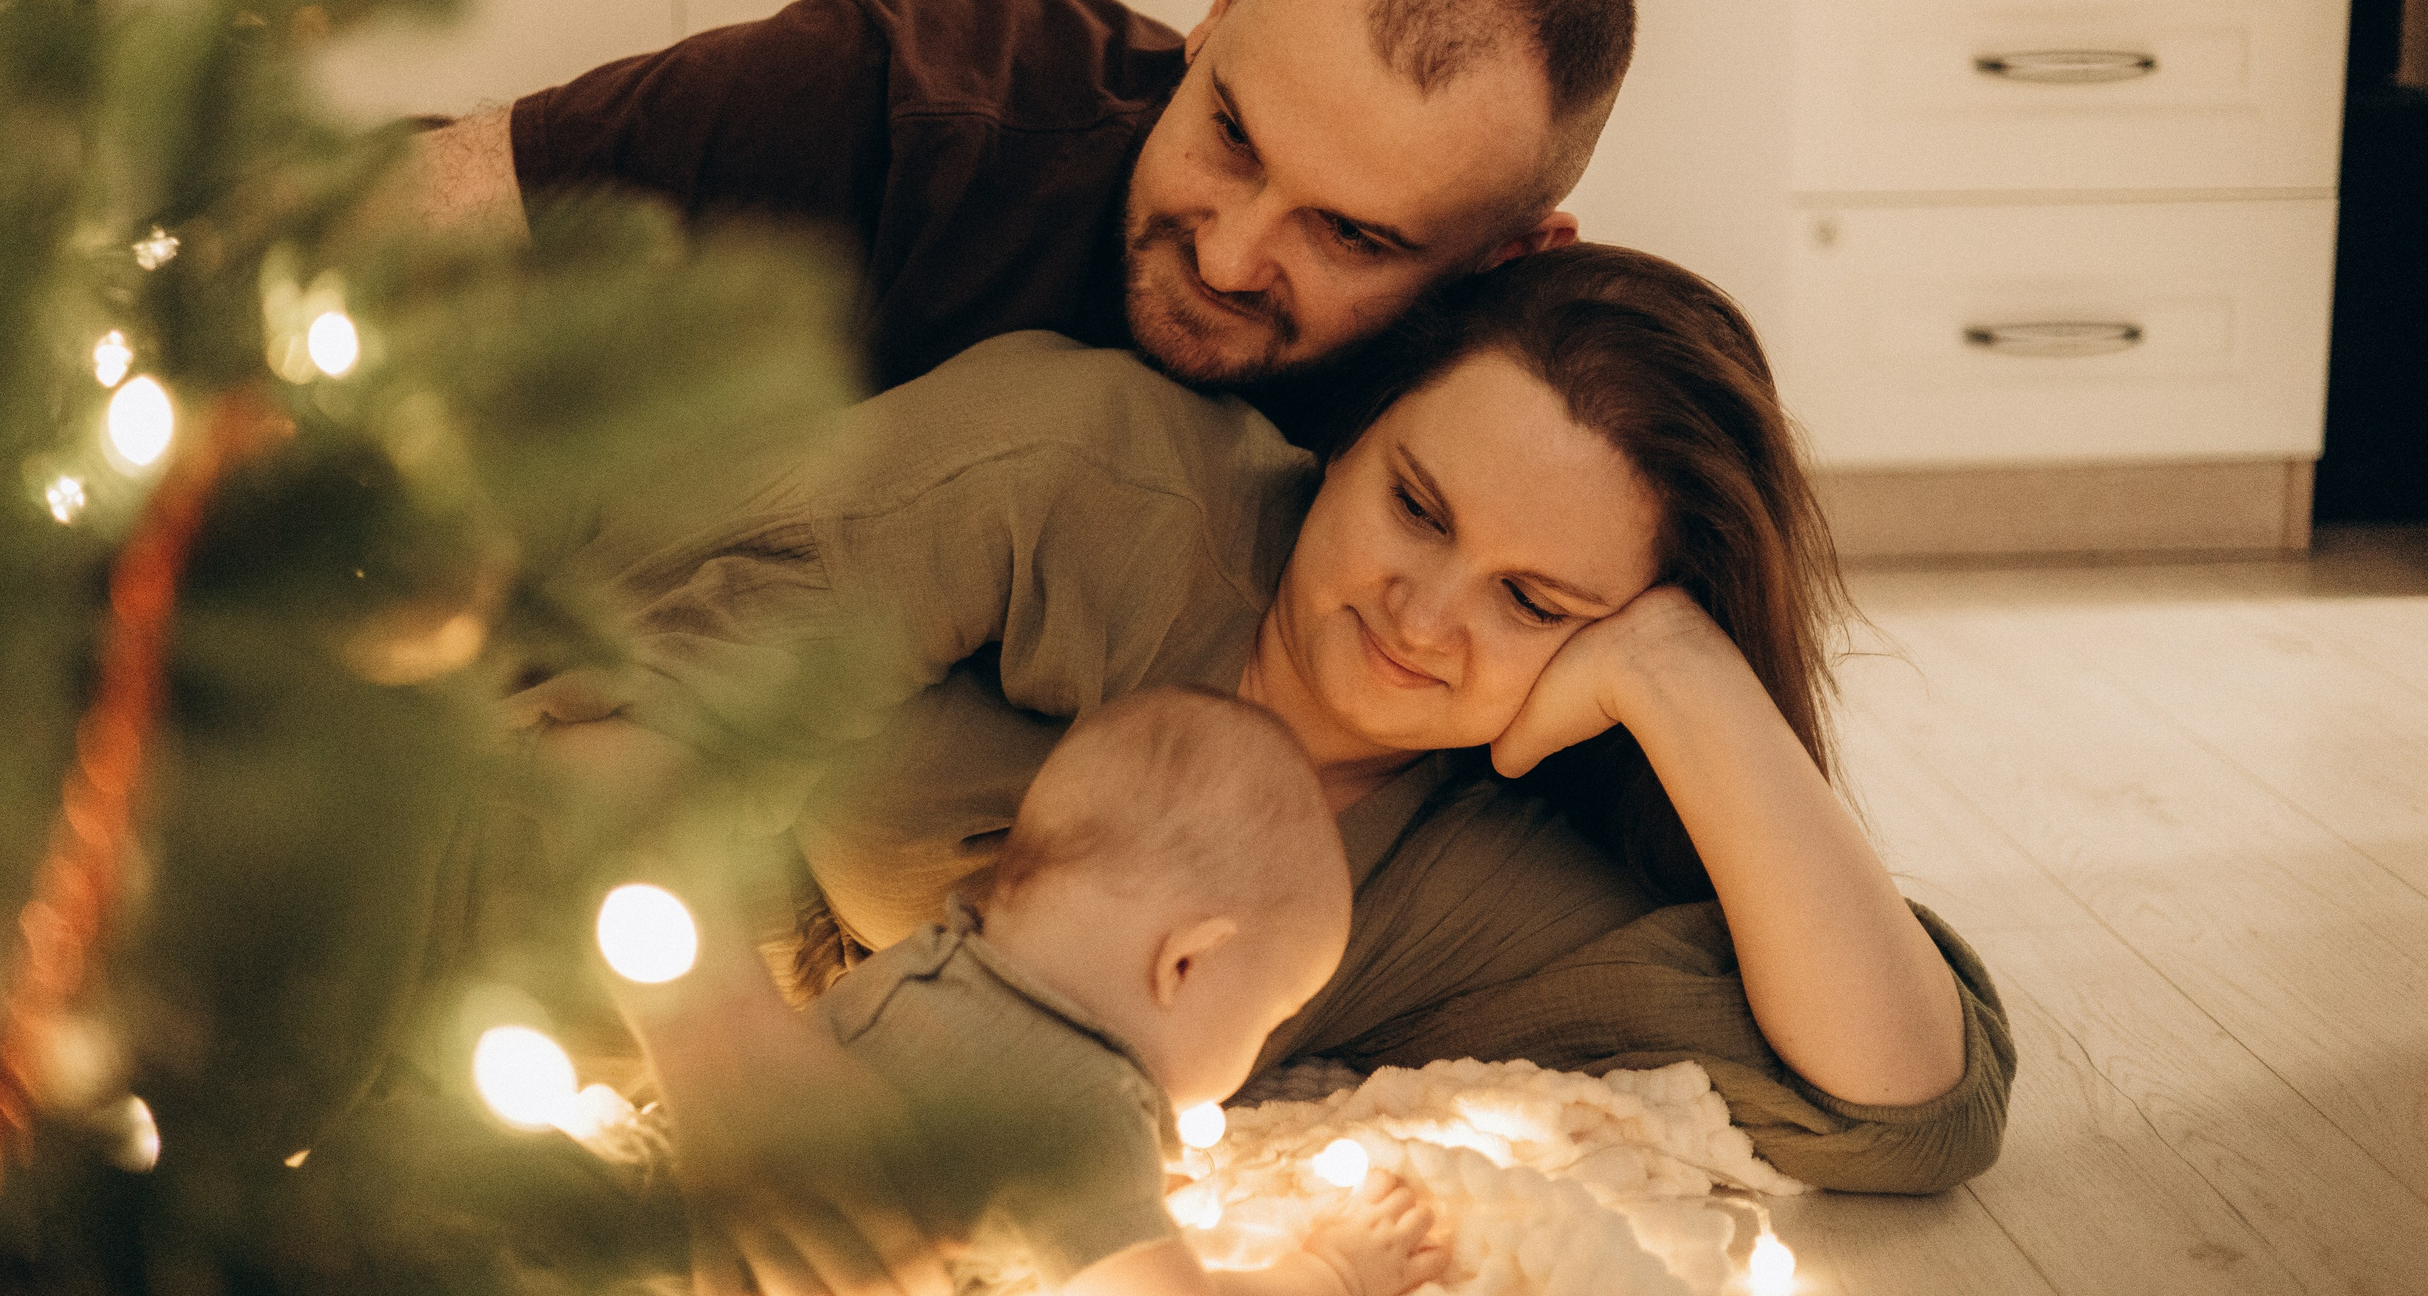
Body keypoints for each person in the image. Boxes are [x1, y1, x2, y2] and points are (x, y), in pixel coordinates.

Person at [538, 243, 2014, 1252]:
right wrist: (728, 1054)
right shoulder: (1084, 478)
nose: (1419, 614)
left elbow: (1907, 1105)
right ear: (1354, 434)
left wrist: (1688, 677)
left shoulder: (1466, 870)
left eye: (1533, 601)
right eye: (1415, 507)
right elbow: (592, 704)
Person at [391, 0, 1634, 443]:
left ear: (1506, 260)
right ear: (1221, 4)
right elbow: (418, 208)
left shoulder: (1520, 425)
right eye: (1232, 135)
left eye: (1351, 236)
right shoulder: (914, 103)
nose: (1228, 255)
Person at [807, 686, 1444, 1296]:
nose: (1263, 1043)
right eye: (1269, 1017)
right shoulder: (1087, 1115)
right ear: (1185, 964)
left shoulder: (912, 970)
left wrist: (1123, 1208)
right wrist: (1333, 1274)